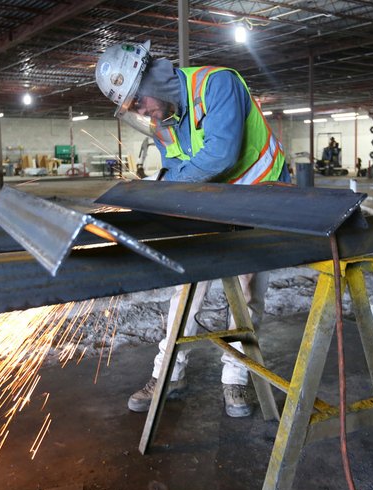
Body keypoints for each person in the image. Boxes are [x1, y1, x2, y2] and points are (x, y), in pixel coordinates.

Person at [95, 40, 291, 418]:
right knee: (187, 287)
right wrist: (156, 193)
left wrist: (162, 185)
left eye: (138, 101)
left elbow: (220, 154)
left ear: (152, 76)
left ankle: (236, 377)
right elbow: (175, 171)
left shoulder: (217, 84)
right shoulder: (162, 121)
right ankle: (168, 373)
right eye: (133, 108)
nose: (141, 111)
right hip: (214, 202)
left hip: (259, 197)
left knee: (247, 291)